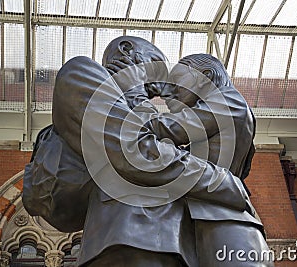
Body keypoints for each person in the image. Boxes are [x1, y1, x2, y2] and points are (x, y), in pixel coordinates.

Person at [23, 37, 253, 267]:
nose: (162, 89)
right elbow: (140, 150)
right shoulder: (83, 73)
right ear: (126, 50)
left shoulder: (227, 103)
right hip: (132, 238)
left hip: (170, 238)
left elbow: (157, 138)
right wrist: (223, 183)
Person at [108, 53, 272, 266]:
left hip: (222, 221)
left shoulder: (227, 102)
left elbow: (162, 129)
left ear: (206, 76)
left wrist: (135, 90)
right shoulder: (229, 108)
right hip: (214, 216)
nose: (172, 88)